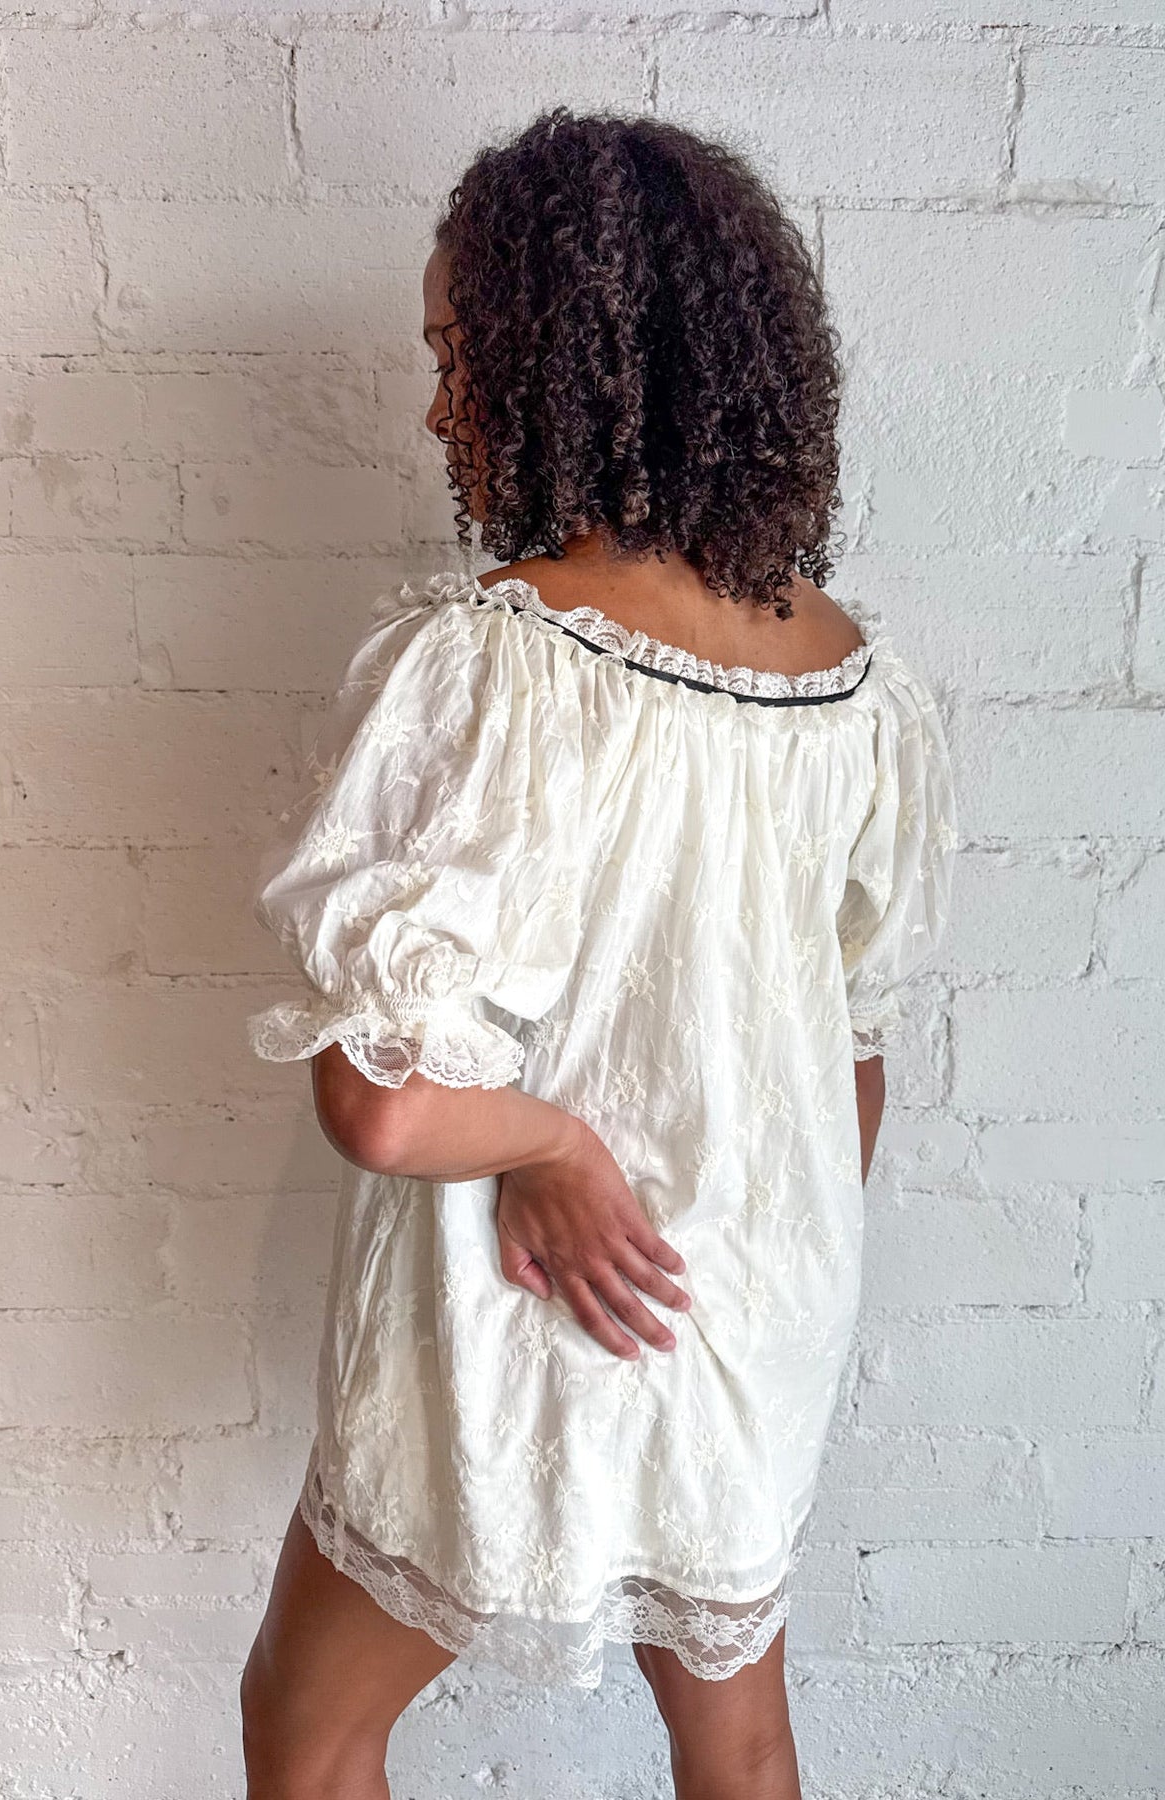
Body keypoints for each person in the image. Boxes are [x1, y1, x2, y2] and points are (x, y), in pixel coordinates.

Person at [238, 107, 957, 1800]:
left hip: (517, 1306)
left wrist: (560, 1147)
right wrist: (720, 1259)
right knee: (741, 1742)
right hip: (732, 1311)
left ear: (569, 359)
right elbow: (851, 1067)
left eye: (455, 354)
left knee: (309, 1722)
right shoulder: (860, 692)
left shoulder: (492, 662)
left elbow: (384, 1104)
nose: (438, 406)